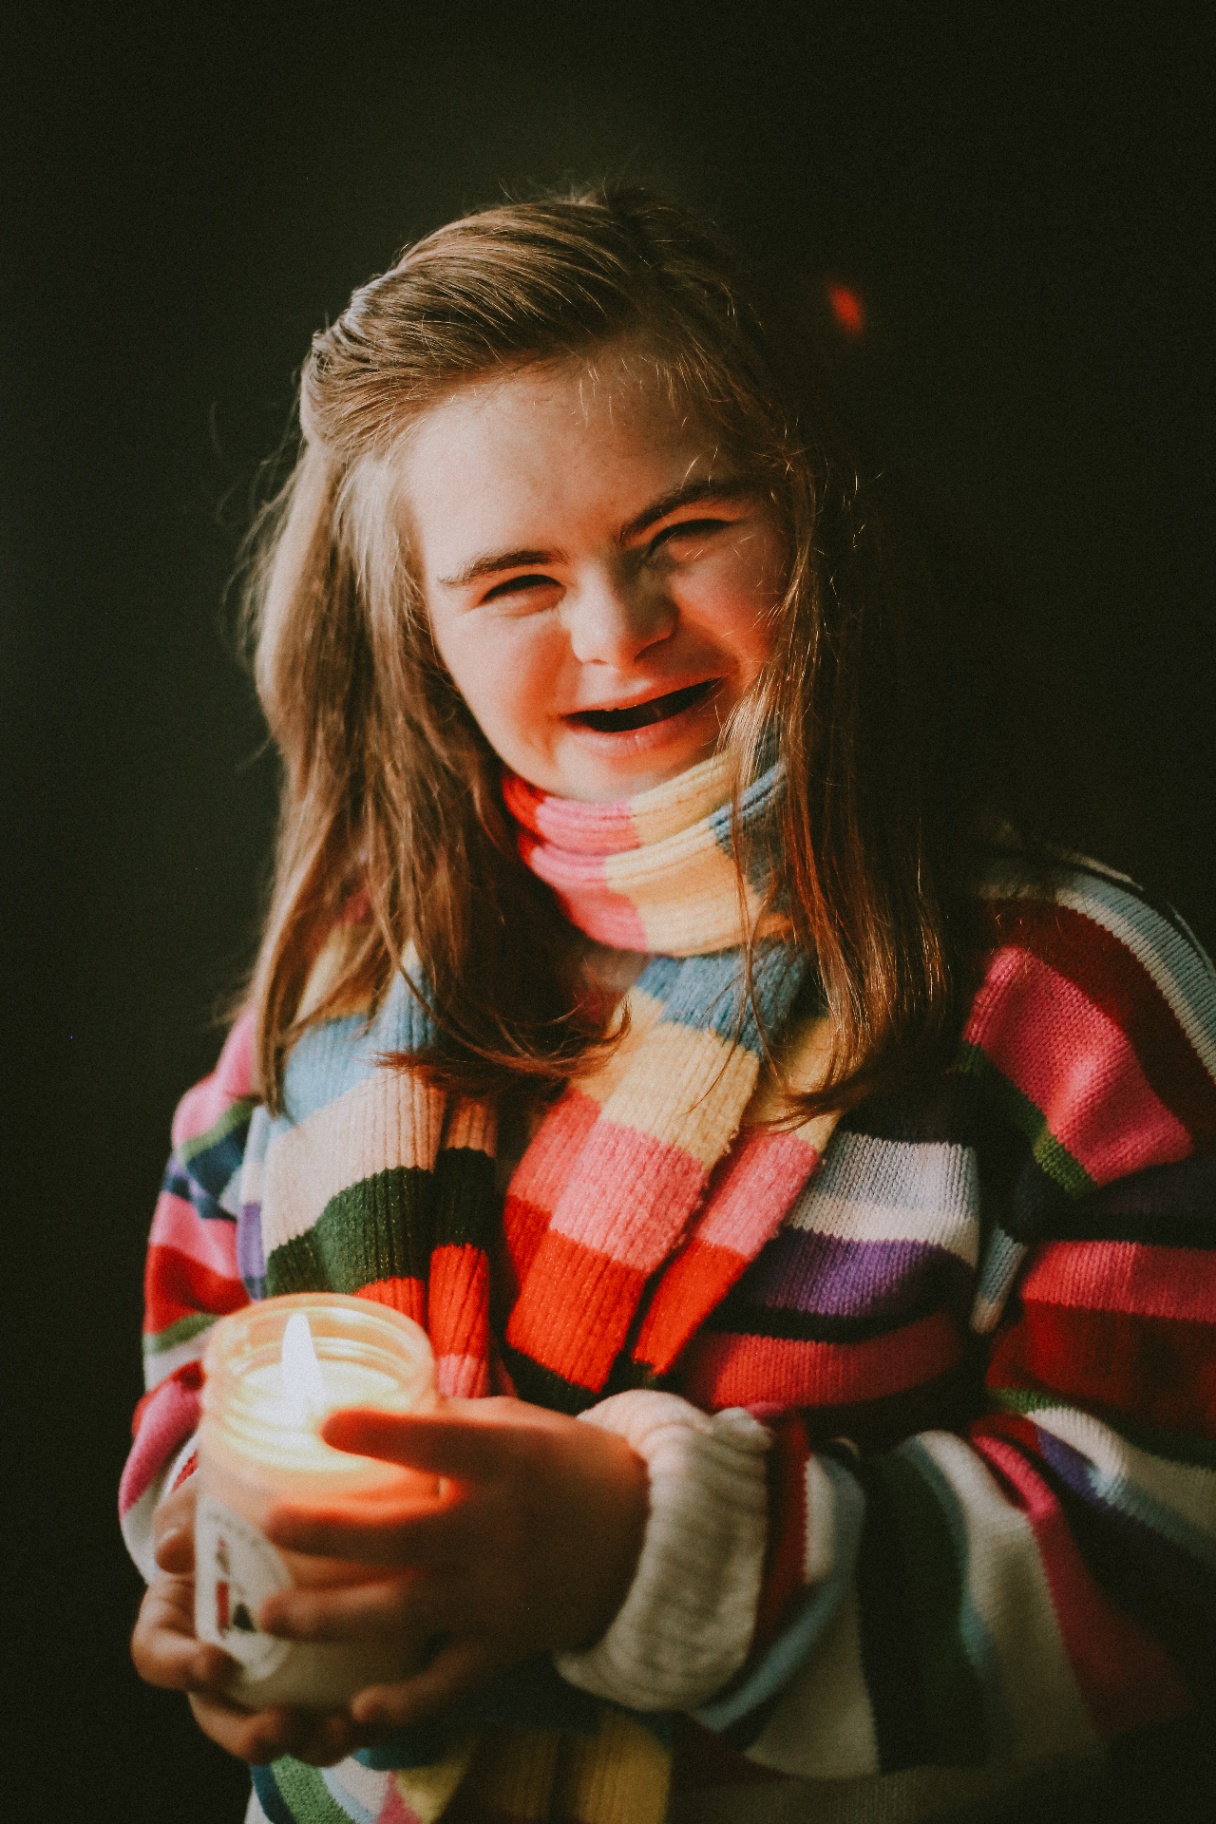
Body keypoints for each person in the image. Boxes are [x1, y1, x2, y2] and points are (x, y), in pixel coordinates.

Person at [122, 187, 1216, 1824]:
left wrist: (633, 1554)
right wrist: (233, 1545)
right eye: (512, 580)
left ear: (819, 519)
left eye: (684, 532)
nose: (617, 631)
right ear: (417, 638)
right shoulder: (337, 993)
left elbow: (1173, 1547)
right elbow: (204, 1359)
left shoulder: (1065, 1004)